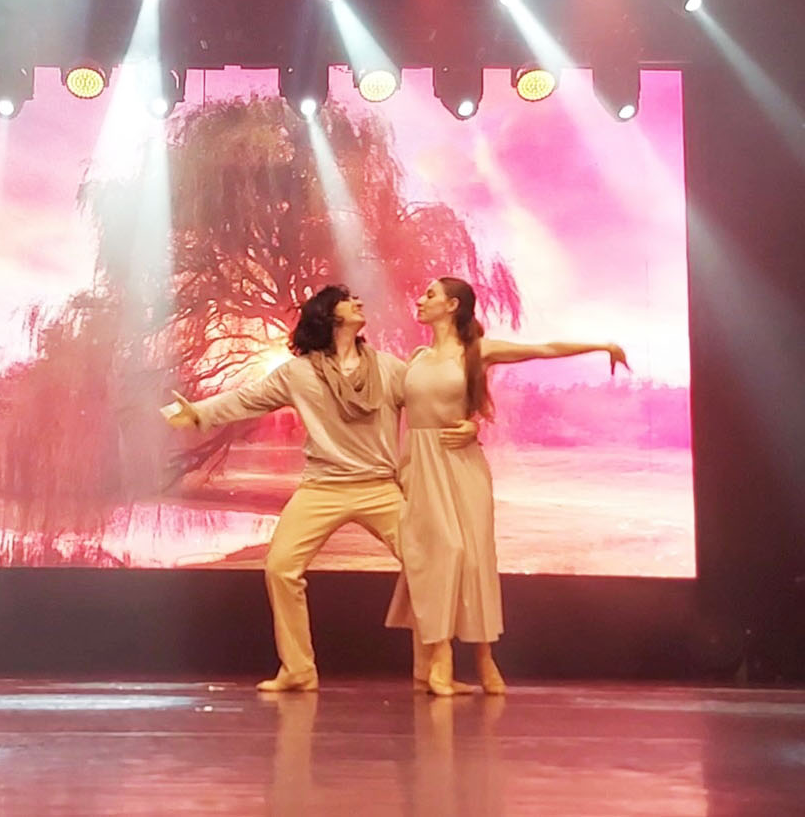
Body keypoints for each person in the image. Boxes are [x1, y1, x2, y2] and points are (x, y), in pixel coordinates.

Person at [164, 285, 478, 692]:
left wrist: (470, 423)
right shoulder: (299, 373)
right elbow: (248, 398)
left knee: (430, 563)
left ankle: (430, 671)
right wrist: (197, 413)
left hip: (380, 487)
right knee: (280, 568)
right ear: (329, 316)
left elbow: (433, 400)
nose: (359, 302)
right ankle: (297, 669)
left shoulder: (388, 368)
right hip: (321, 487)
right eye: (349, 300)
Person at [384, 276, 628, 696]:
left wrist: (602, 345)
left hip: (462, 464)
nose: (420, 300)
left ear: (452, 305)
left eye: (430, 295)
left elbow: (543, 349)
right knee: (442, 553)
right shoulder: (417, 358)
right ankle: (439, 657)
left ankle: (483, 657)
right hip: (421, 465)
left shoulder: (477, 351)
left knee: (475, 559)